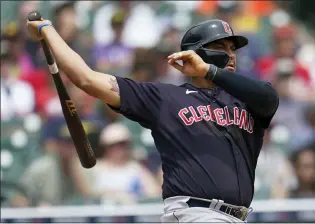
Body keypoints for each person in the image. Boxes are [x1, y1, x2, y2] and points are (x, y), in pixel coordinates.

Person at [27, 18, 279, 222]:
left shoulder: (248, 99)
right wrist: (47, 30)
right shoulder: (165, 97)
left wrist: (209, 70)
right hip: (196, 214)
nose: (231, 55)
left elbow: (269, 97)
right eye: (221, 47)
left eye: (232, 48)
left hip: (238, 217)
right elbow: (87, 79)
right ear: (196, 54)